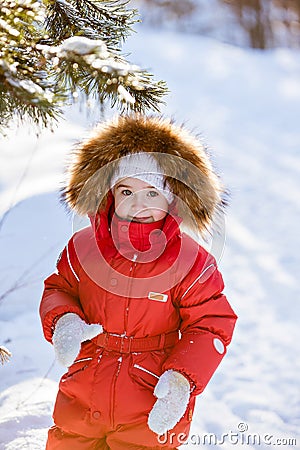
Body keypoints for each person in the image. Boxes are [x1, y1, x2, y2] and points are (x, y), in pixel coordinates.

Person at [40, 115, 237, 450]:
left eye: (152, 193)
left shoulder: (191, 262)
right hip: (82, 391)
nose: (138, 204)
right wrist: (65, 321)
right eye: (126, 190)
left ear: (174, 198)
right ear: (109, 194)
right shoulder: (83, 248)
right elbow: (60, 288)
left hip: (151, 396)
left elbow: (210, 324)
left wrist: (181, 380)